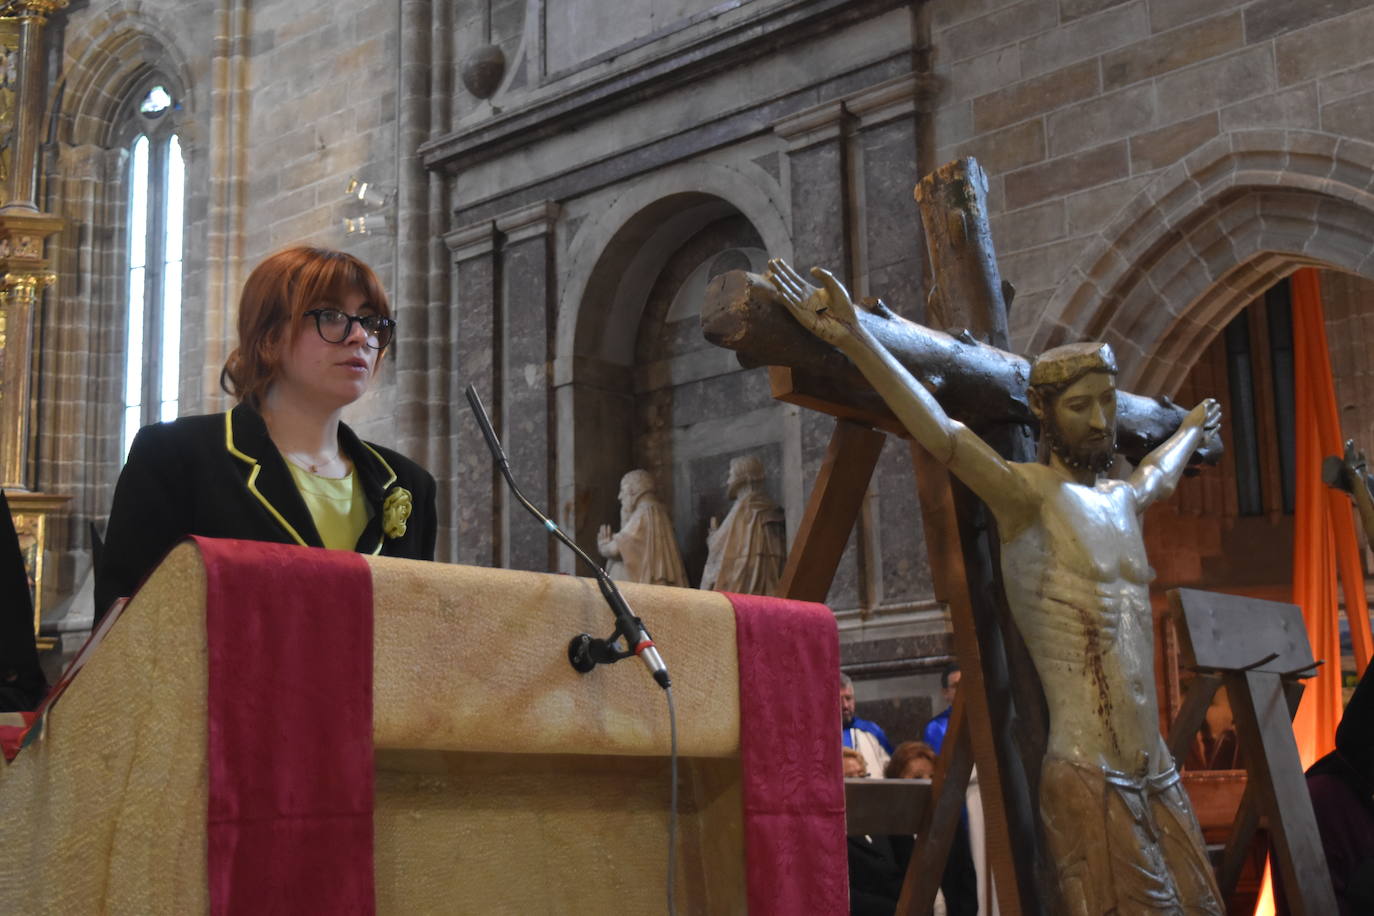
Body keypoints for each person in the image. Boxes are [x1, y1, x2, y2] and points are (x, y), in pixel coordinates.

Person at [770, 258, 1224, 914]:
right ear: (1043, 413)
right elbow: (942, 433)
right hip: (1092, 772)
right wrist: (854, 338)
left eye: (1106, 402)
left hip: (1157, 768)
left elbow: (1158, 471)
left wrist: (1186, 433)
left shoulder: (1124, 501)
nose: (1100, 422)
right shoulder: (1027, 498)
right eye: (1079, 406)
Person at [95, 246, 437, 619]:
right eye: (332, 315)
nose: (359, 336)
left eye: (372, 321)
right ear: (269, 336)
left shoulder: (408, 484)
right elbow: (128, 632)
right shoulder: (177, 457)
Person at [699, 454, 786, 594]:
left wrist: (713, 537)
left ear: (742, 478)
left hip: (744, 588)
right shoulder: (767, 508)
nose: (727, 482)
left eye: (731, 475)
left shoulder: (744, 510)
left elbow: (721, 550)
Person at [596, 469, 688, 586]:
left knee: (618, 568)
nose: (619, 496)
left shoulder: (643, 512)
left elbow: (615, 549)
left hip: (646, 589)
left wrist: (603, 546)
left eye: (622, 490)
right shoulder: (658, 510)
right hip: (659, 587)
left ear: (633, 490)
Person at [841, 672, 893, 778]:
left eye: (848, 698)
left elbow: (893, 771)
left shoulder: (871, 731)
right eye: (838, 700)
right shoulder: (819, 738)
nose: (845, 705)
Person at [924, 663, 961, 753]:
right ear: (945, 693)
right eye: (956, 686)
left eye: (965, 685)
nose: (962, 690)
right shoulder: (936, 727)